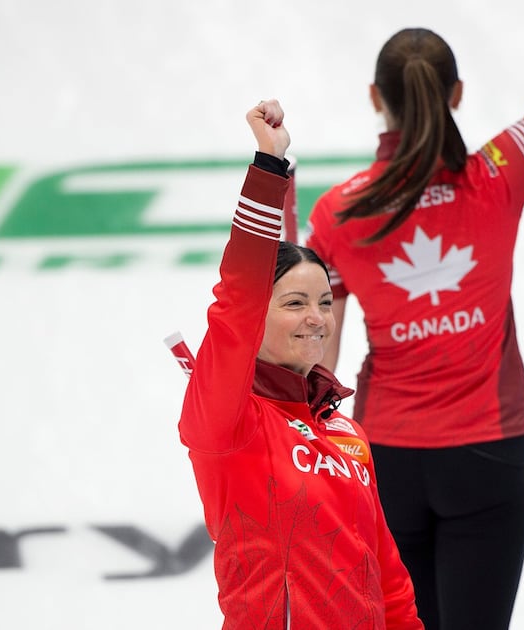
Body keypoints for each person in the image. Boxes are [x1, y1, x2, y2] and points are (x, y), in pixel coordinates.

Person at [302, 2, 524, 627]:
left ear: (375, 98)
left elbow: (317, 364)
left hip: (386, 458)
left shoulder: (337, 214)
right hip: (489, 455)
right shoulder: (500, 172)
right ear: (458, 94)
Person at [177, 99, 423, 629]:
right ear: (256, 316)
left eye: (325, 303)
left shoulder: (347, 433)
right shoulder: (231, 423)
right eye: (294, 303)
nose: (316, 318)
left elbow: (389, 580)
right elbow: (237, 298)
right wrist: (269, 167)